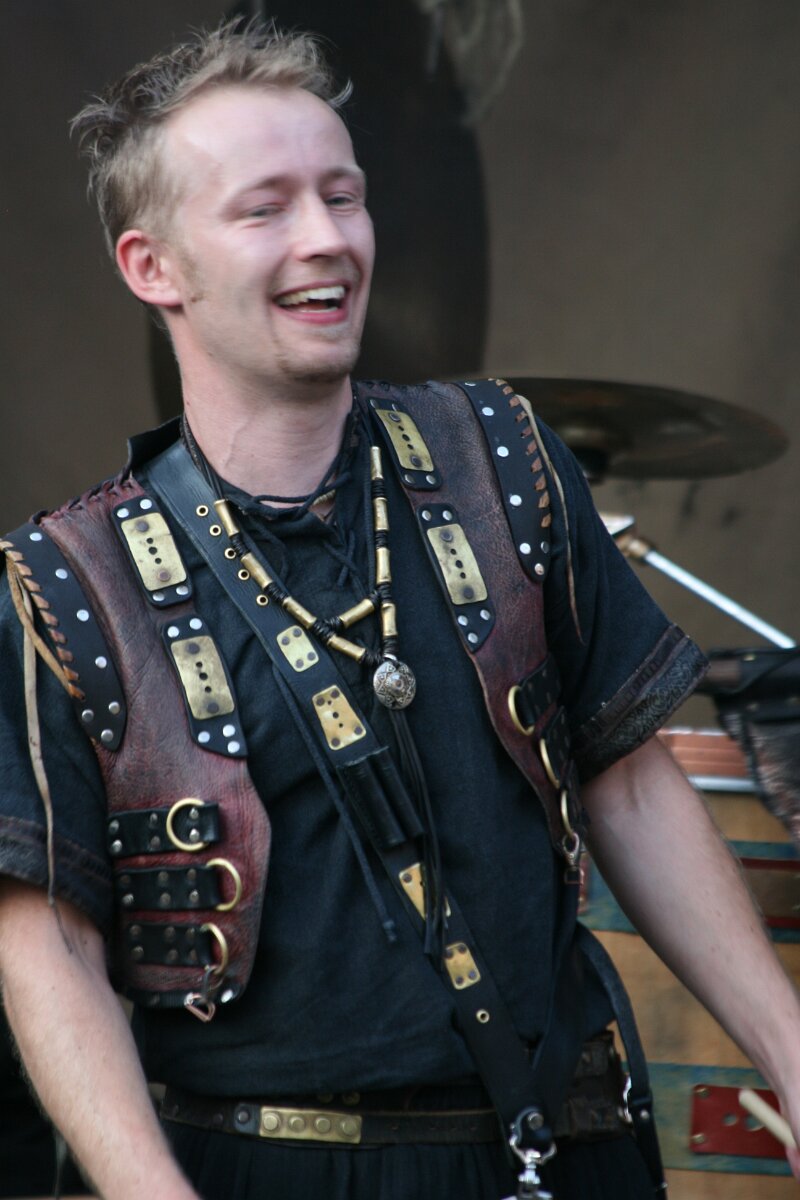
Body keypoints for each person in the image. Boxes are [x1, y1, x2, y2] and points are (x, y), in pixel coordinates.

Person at [0, 20, 798, 1200]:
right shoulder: (66, 581)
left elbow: (627, 784)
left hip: (567, 1150)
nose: (327, 237)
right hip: (265, 1168)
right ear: (152, 267)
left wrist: (789, 1051)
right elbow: (47, 940)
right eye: (264, 208)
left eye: (343, 195)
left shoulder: (503, 460)